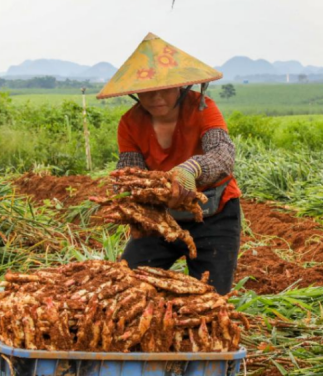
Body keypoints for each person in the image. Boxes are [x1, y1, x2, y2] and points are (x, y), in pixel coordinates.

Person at [96, 33, 241, 295]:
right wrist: (133, 207)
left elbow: (223, 154)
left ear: (180, 86)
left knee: (210, 296)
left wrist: (191, 169)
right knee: (125, 285)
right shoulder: (130, 123)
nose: (156, 97)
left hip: (215, 216)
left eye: (164, 87)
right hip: (160, 217)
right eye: (147, 92)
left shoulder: (203, 108)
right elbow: (131, 173)